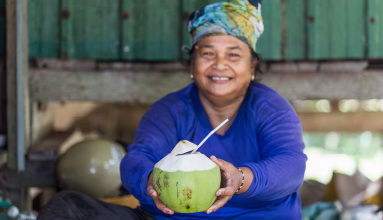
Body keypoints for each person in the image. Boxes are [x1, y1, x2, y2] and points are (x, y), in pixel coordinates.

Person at [37, 0, 307, 219]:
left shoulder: (271, 109)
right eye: (207, 53)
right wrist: (148, 181)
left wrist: (239, 179)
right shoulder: (169, 110)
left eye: (234, 55)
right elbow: (137, 158)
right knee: (66, 207)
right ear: (192, 65)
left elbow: (291, 168)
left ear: (252, 67)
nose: (219, 65)